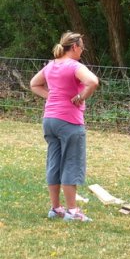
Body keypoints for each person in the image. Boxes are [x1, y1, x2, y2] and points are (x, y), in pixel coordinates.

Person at [30, 31, 99, 222]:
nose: (82, 50)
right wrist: (80, 97)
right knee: (71, 163)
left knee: (54, 162)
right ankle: (72, 211)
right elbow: (93, 82)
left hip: (49, 120)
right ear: (75, 47)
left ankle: (56, 208)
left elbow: (34, 84)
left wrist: (50, 97)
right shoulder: (73, 65)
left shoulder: (51, 65)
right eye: (82, 47)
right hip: (69, 121)